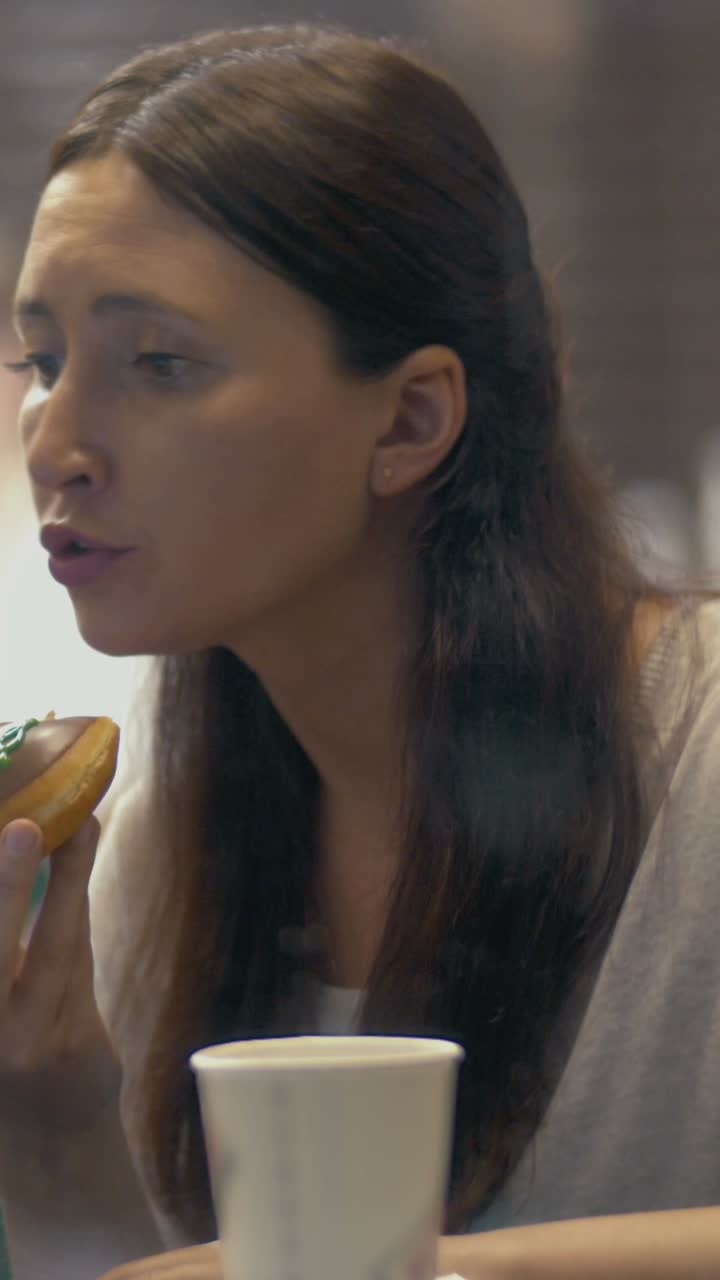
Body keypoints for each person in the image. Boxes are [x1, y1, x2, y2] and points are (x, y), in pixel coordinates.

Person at [1, 22, 720, 1280]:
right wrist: (59, 1133)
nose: (56, 439)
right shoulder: (146, 863)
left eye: (158, 363)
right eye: (42, 361)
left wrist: (407, 1268)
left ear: (411, 417)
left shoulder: (700, 763)